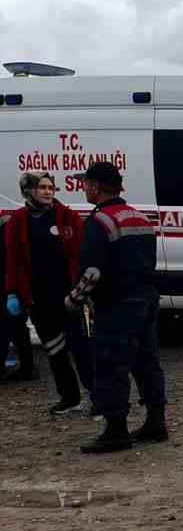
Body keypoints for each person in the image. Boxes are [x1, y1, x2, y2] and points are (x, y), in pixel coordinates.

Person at [67, 160, 168, 453]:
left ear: (96, 187)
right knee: (148, 363)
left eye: (85, 183)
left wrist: (73, 299)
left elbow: (92, 273)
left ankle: (116, 431)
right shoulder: (139, 217)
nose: (83, 187)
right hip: (147, 300)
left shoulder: (99, 222)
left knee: (111, 366)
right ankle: (156, 422)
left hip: (117, 305)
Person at [5, 172, 93, 413]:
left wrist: (82, 289)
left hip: (69, 296)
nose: (47, 191)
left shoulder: (67, 216)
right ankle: (70, 398)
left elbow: (82, 253)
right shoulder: (18, 221)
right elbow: (13, 259)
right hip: (37, 298)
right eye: (41, 187)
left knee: (81, 348)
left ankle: (99, 398)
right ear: (28, 191)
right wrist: (12, 292)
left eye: (50, 187)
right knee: (55, 350)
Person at [0, 202, 38, 385]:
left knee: (8, 327)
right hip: (14, 284)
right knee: (17, 327)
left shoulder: (8, 223)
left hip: (9, 284)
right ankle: (28, 367)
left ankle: (25, 368)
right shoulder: (12, 222)